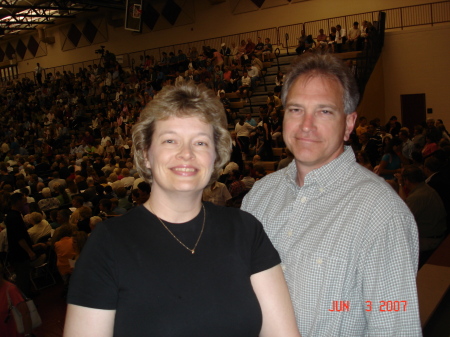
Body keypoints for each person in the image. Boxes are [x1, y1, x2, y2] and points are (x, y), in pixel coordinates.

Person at [65, 83, 300, 337]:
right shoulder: (108, 243)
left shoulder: (245, 230)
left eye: (200, 143)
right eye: (170, 140)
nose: (186, 153)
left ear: (216, 157)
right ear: (146, 155)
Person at [241, 52, 421, 336]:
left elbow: (394, 327)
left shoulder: (382, 215)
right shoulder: (259, 196)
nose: (306, 125)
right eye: (296, 109)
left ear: (349, 124)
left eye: (324, 111)